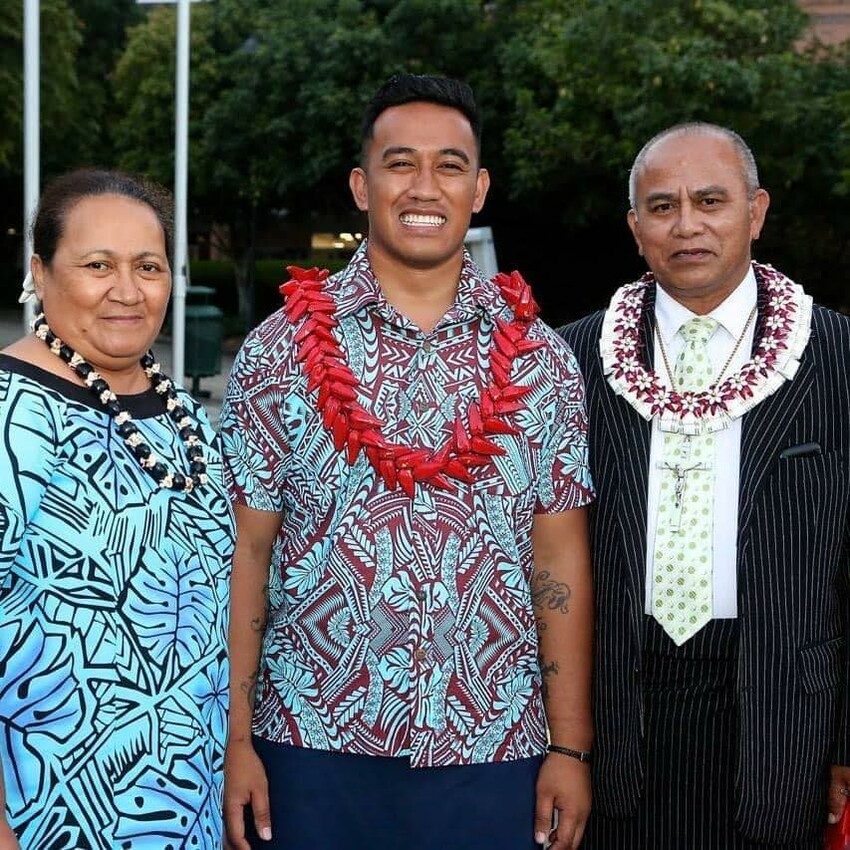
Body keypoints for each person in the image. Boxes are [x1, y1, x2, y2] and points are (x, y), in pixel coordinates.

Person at [220, 73, 595, 850]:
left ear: (480, 188)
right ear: (362, 185)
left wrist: (569, 746)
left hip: (495, 751)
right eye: (400, 163)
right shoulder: (279, 351)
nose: (425, 186)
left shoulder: (543, 362)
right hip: (312, 740)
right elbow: (246, 549)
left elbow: (558, 558)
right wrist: (235, 740)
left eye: (450, 165)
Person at [559, 123, 850, 849]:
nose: (686, 224)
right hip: (614, 712)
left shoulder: (841, 358)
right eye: (662, 206)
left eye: (711, 201)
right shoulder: (568, 361)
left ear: (755, 212)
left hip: (786, 722)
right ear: (635, 227)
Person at [0, 169, 234, 849]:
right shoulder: (12, 416)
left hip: (185, 813)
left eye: (148, 266)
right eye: (97, 265)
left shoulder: (188, 420)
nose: (127, 291)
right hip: (48, 818)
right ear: (40, 274)